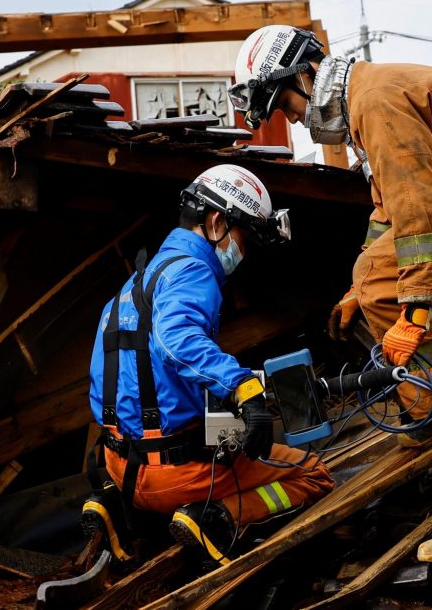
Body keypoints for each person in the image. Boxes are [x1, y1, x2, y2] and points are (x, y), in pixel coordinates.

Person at [229, 26, 432, 562]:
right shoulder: (364, 103)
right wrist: (361, 288)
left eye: (284, 105)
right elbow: (389, 210)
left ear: (303, 75)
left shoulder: (377, 103)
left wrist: (414, 313)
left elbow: (422, 213)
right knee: (372, 278)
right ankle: (429, 409)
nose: (290, 119)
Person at [82, 164, 334, 566]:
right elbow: (176, 341)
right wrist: (243, 389)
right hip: (174, 475)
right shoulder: (193, 270)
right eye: (244, 238)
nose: (243, 253)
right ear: (216, 220)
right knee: (313, 472)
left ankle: (119, 510)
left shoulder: (137, 282)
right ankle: (216, 518)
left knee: (215, 431)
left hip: (119, 465)